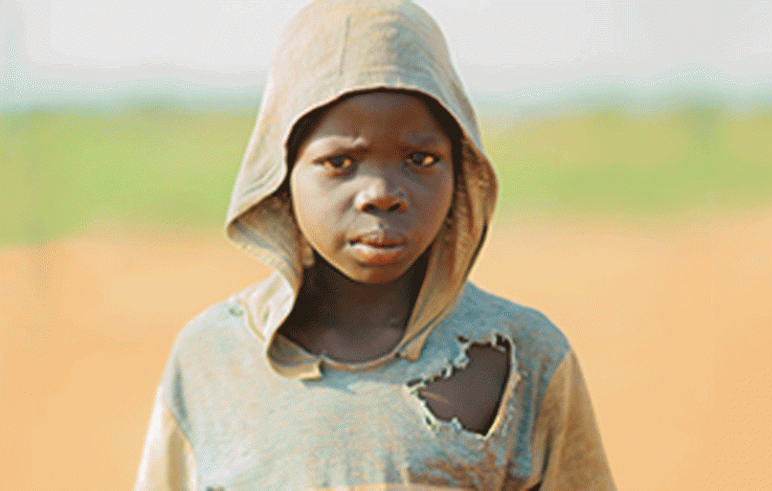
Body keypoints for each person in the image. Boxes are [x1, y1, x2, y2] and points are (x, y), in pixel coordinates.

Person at [134, 1, 615, 489]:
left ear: (461, 170)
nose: (382, 194)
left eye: (420, 159)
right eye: (341, 162)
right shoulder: (211, 359)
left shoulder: (522, 358)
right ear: (282, 174)